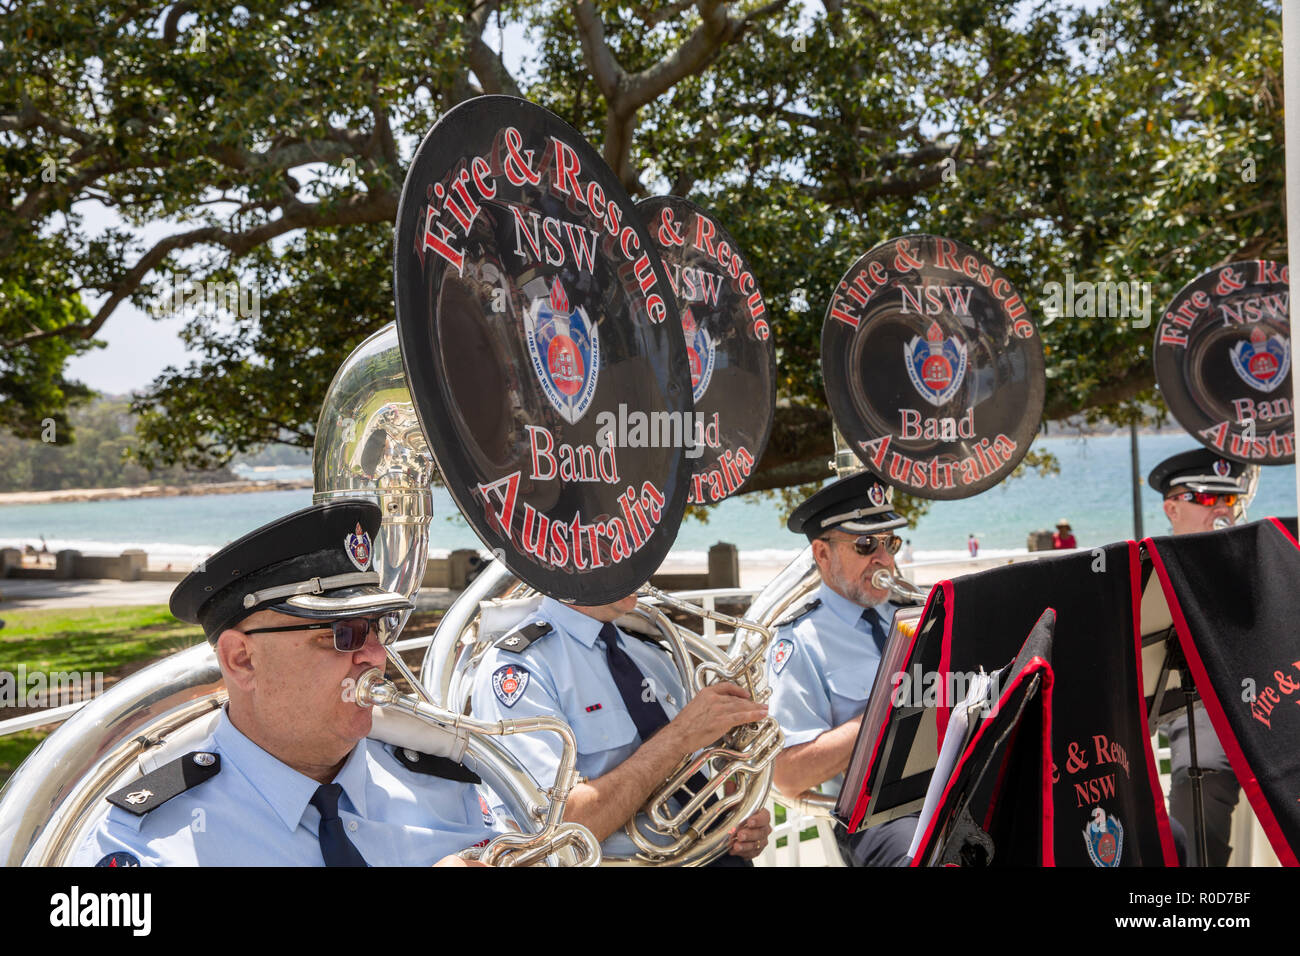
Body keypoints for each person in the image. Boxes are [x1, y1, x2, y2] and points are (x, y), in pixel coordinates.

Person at [71, 500, 504, 867]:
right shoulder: (144, 842)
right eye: (341, 634)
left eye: (376, 627)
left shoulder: (448, 783)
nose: (375, 654)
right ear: (241, 660)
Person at [470, 591, 772, 865]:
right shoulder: (519, 667)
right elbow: (550, 834)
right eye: (614, 542)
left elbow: (696, 771)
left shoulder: (650, 652)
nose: (640, 561)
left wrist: (738, 814)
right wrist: (678, 737)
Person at [765, 471, 919, 866]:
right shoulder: (798, 640)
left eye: (890, 543)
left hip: (952, 783)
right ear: (822, 554)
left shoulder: (914, 614)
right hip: (878, 814)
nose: (884, 559)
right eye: (866, 544)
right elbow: (788, 775)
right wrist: (885, 715)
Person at [1148, 448, 1248, 866]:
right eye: (1207, 499)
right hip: (1196, 704)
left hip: (1269, 695)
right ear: (1172, 508)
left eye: (1229, 501)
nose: (1220, 510)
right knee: (1199, 775)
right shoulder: (1150, 571)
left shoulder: (1257, 557)